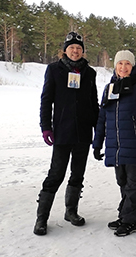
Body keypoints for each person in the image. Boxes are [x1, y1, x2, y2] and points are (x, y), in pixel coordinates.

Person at [34, 32, 99, 236]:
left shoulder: (90, 73)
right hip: (62, 132)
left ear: (82, 51)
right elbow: (46, 100)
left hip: (83, 133)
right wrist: (46, 127)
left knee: (77, 174)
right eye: (71, 47)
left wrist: (99, 130)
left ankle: (71, 211)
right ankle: (42, 218)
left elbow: (93, 103)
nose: (75, 51)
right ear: (65, 50)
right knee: (56, 175)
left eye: (78, 48)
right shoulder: (54, 70)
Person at [92, 50, 136, 237]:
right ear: (115, 67)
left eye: (127, 64)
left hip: (135, 146)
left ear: (132, 66)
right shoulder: (109, 88)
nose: (123, 67)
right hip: (115, 146)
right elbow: (102, 118)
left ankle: (130, 221)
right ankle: (127, 214)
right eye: (120, 64)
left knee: (133, 184)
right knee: (122, 182)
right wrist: (97, 144)